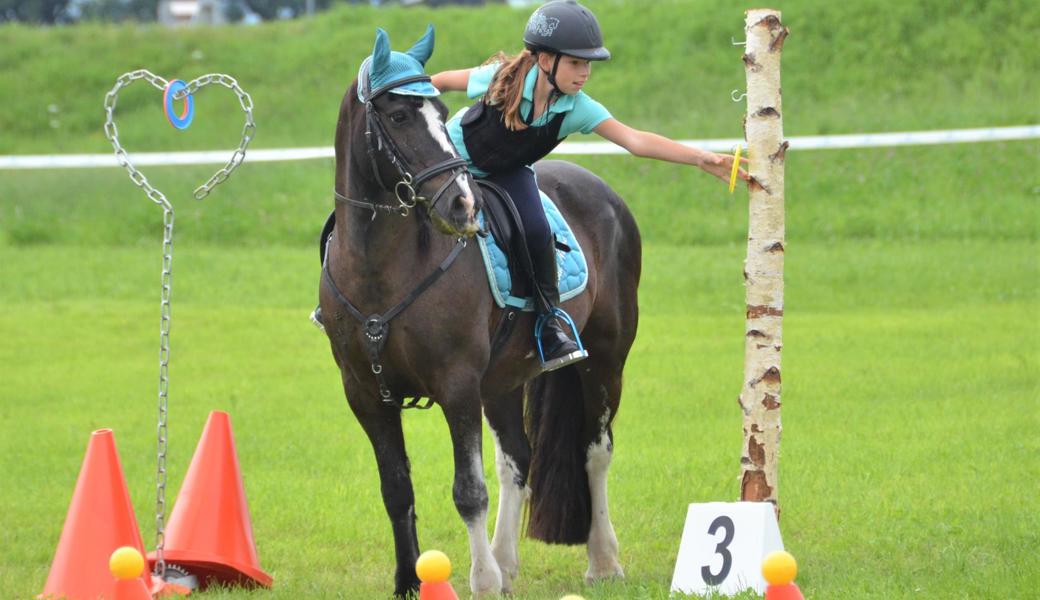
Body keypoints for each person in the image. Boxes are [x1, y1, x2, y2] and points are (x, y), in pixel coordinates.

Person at [431, 0, 748, 371]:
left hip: (509, 173)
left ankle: (550, 323)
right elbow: (438, 82)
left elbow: (636, 141)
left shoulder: (576, 107)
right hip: (452, 164)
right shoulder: (501, 77)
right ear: (545, 60)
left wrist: (701, 158)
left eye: (588, 65)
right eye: (576, 63)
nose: (584, 73)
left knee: (537, 231)